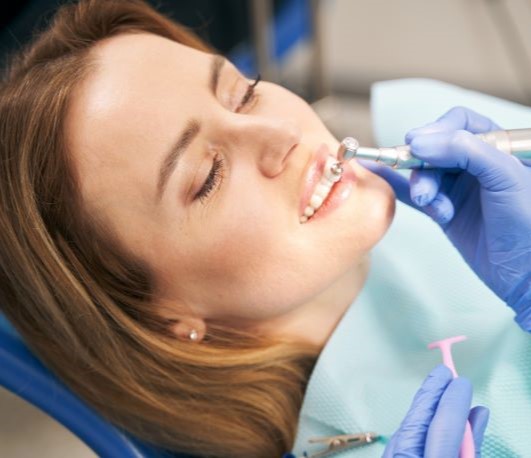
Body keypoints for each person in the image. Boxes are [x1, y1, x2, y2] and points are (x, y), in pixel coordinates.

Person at [0, 1, 529, 457]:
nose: (280, 133)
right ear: (159, 315)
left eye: (243, 93)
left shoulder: (449, 139)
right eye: (207, 178)